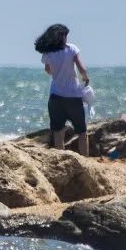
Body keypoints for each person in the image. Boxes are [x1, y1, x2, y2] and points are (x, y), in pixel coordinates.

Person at [34, 23, 92, 156]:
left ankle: (61, 159)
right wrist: (86, 78)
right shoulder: (72, 49)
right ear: (62, 36)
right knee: (82, 132)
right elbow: (82, 69)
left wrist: (57, 72)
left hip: (55, 96)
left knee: (58, 132)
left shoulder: (48, 53)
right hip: (73, 96)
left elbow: (48, 70)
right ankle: (86, 161)